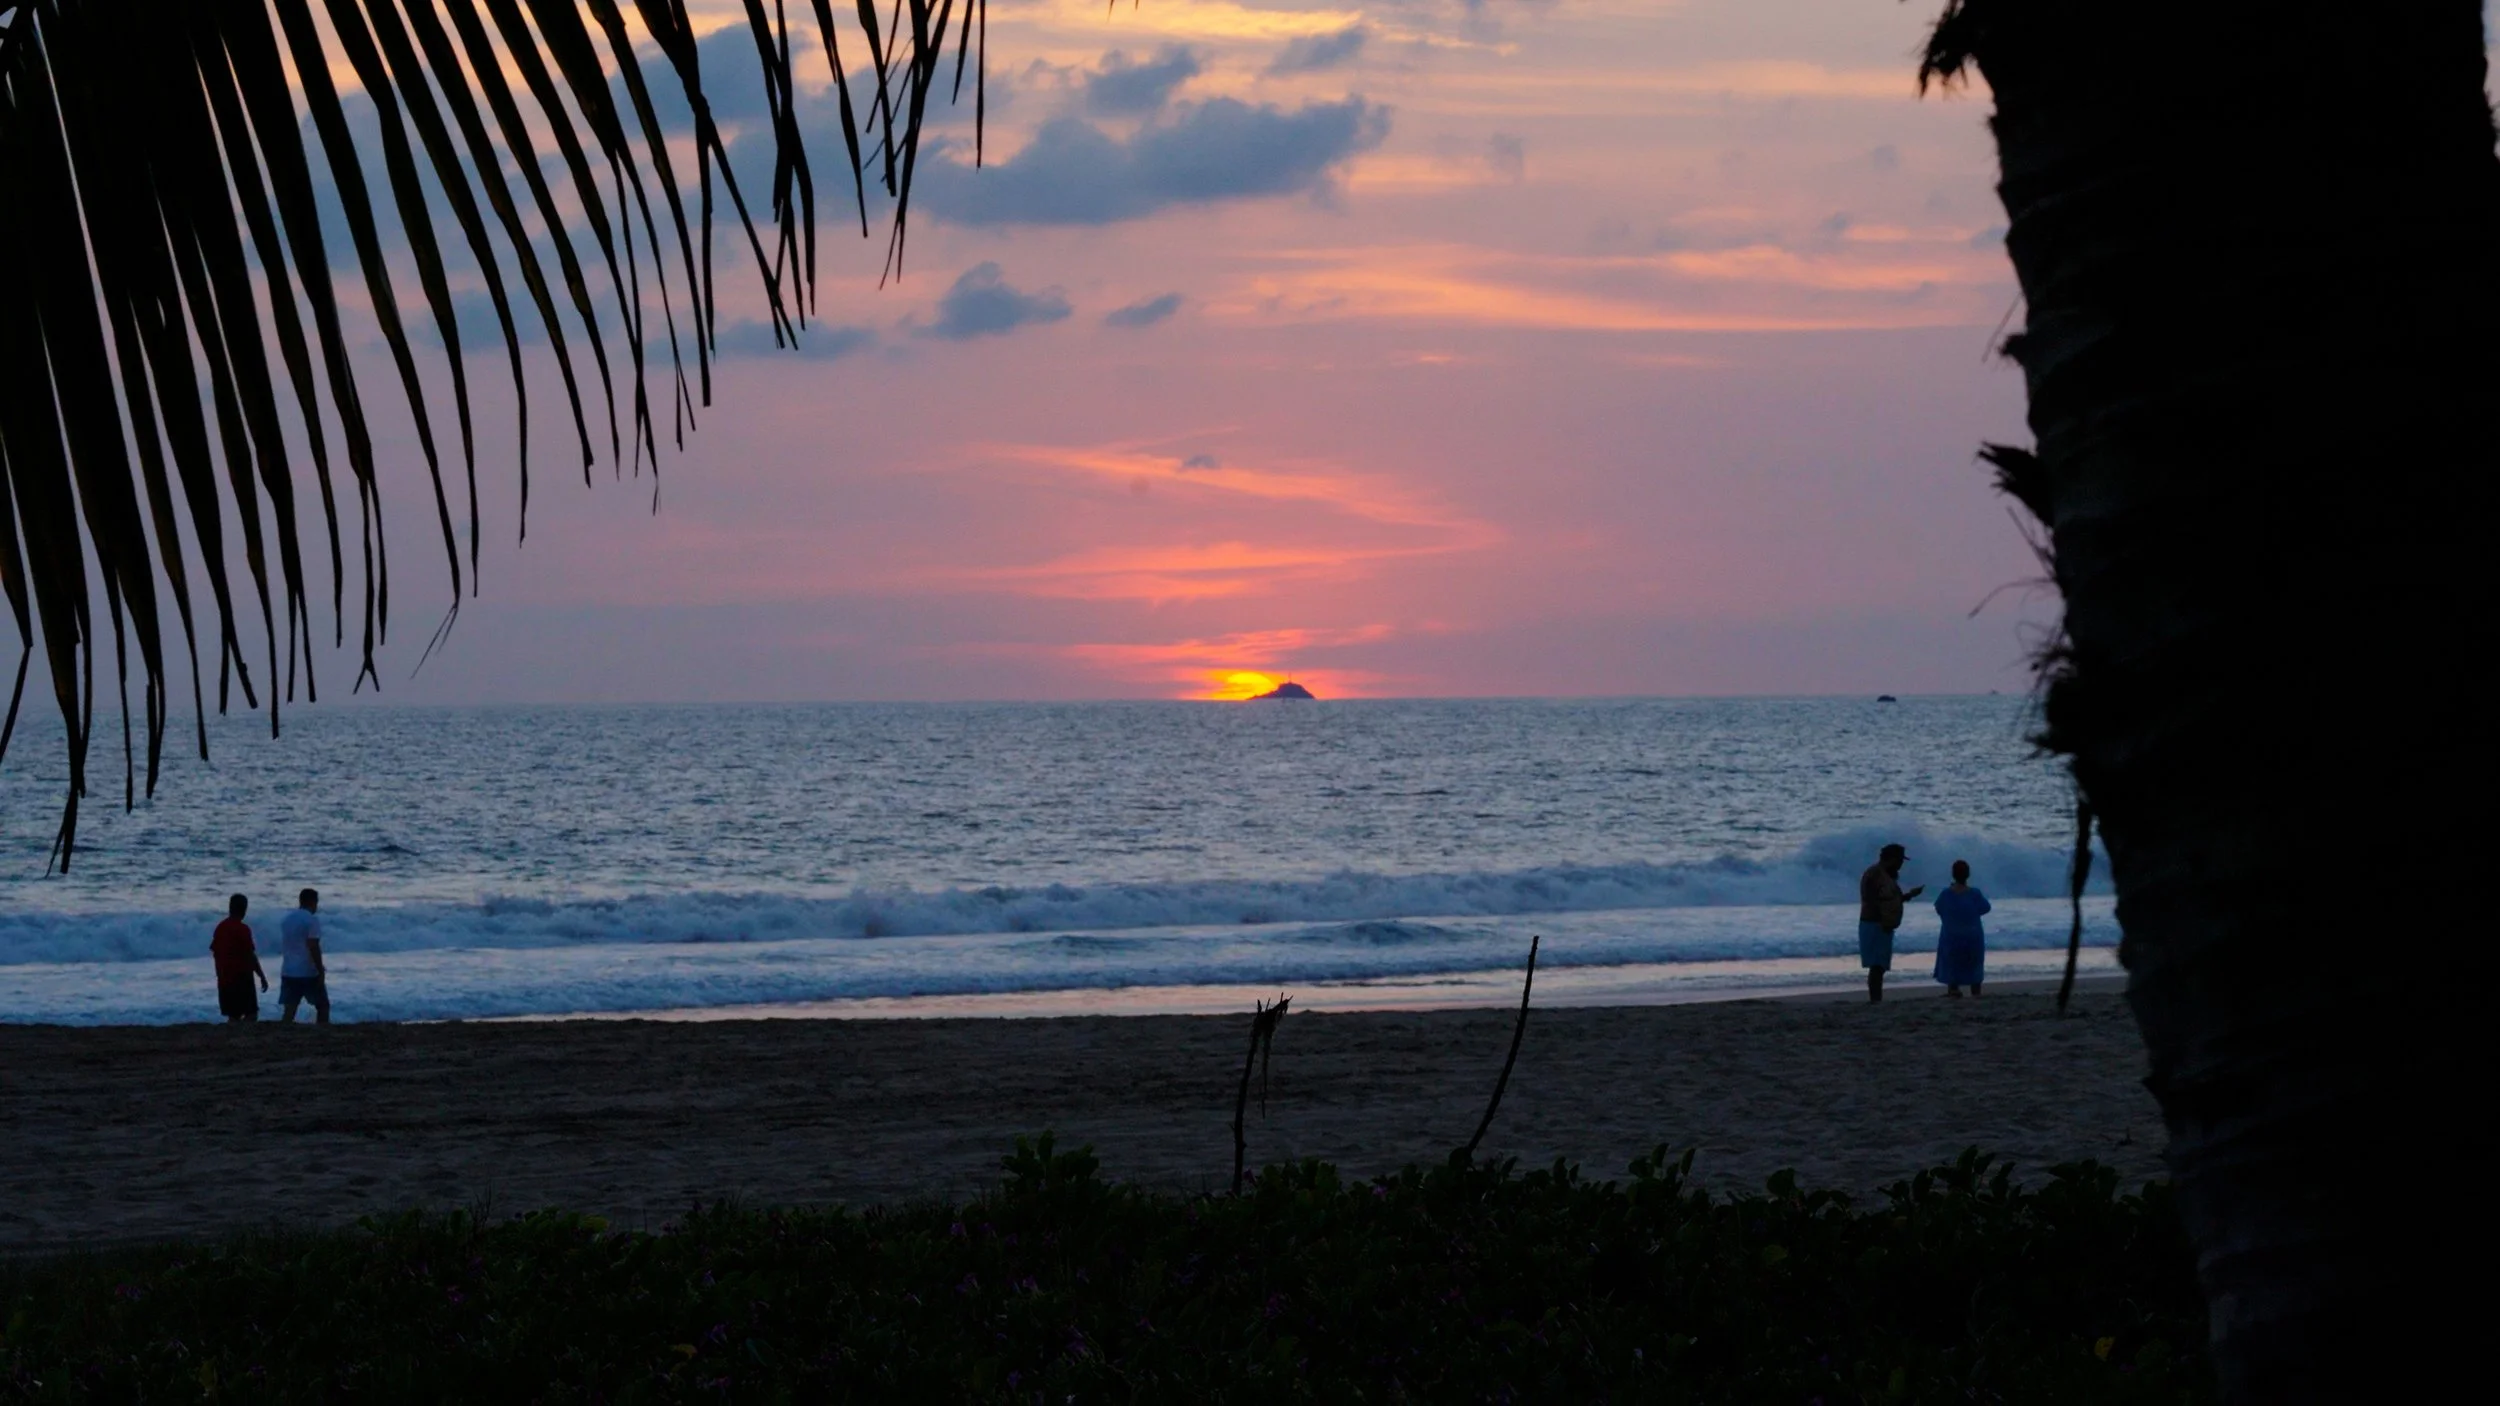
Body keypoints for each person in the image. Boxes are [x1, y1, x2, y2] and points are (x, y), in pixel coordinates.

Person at [1857, 842, 1923, 1003]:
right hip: (1874, 924)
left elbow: (1889, 900)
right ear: (1891, 859)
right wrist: (1885, 915)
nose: (1901, 865)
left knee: (1879, 966)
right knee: (1877, 966)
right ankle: (1875, 1000)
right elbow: (1873, 899)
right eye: (1900, 860)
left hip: (1881, 925)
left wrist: (1908, 896)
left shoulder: (1884, 875)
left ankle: (1876, 999)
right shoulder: (1874, 874)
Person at [1933, 860, 1993, 997]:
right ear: (1968, 874)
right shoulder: (1974, 894)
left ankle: (1953, 990)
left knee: (1952, 967)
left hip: (1951, 936)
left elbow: (1938, 909)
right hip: (1972, 936)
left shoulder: (1946, 894)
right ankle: (1975, 993)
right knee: (1974, 968)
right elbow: (1986, 908)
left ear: (1953, 874)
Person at [209, 894, 267, 1023]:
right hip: (242, 978)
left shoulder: (220, 927)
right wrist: (261, 976)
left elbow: (215, 952)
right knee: (251, 1015)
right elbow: (250, 955)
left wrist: (219, 974)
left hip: (225, 978)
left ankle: (232, 1039)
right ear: (244, 909)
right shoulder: (242, 929)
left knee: (233, 1016)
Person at [278, 888, 330, 1025]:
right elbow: (313, 946)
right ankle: (322, 1033)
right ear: (313, 902)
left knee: (289, 1009)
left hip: (288, 970)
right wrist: (320, 969)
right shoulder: (312, 920)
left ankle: (283, 1035)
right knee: (323, 1006)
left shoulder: (287, 919)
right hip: (307, 971)